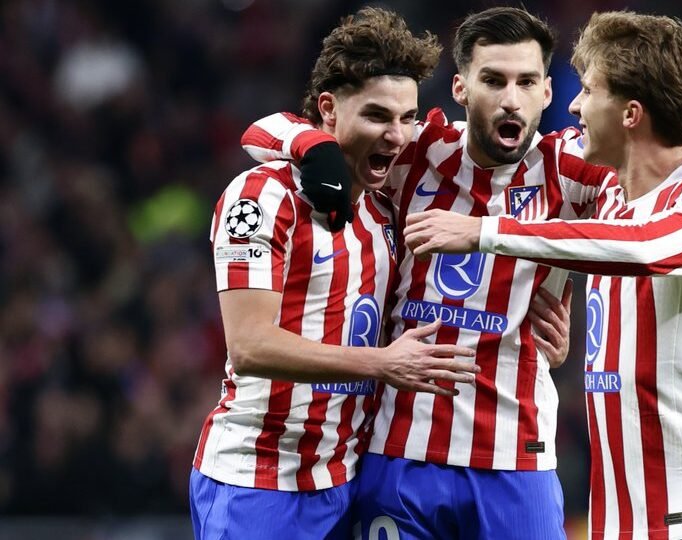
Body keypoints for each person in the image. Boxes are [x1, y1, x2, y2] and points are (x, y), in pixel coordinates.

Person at [239, 7, 682, 539]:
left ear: (546, 92)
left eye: (527, 82)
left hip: (517, 459)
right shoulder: (416, 151)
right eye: (493, 80)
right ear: (461, 88)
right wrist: (310, 143)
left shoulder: (569, 169)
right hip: (401, 450)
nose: (510, 98)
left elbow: (646, 172)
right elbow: (269, 130)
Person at [404, 11, 682, 540]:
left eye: (588, 90)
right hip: (622, 526)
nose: (575, 105)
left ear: (629, 114)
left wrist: (482, 232)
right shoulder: (607, 201)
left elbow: (642, 247)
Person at [189, 9, 479, 540]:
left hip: (347, 482)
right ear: (328, 108)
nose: (396, 136)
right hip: (259, 482)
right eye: (376, 116)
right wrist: (382, 364)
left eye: (407, 117)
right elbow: (249, 346)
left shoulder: (385, 208)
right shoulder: (261, 197)